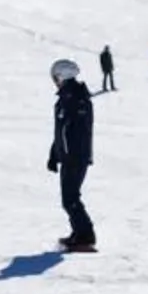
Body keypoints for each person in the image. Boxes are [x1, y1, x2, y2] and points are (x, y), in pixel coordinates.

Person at [47, 58, 97, 252]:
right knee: (69, 198)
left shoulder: (77, 98)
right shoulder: (66, 98)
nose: (54, 81)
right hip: (69, 157)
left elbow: (77, 132)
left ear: (63, 75)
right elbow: (60, 131)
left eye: (55, 77)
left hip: (76, 157)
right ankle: (80, 233)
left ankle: (86, 236)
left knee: (70, 198)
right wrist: (54, 155)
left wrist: (68, 154)